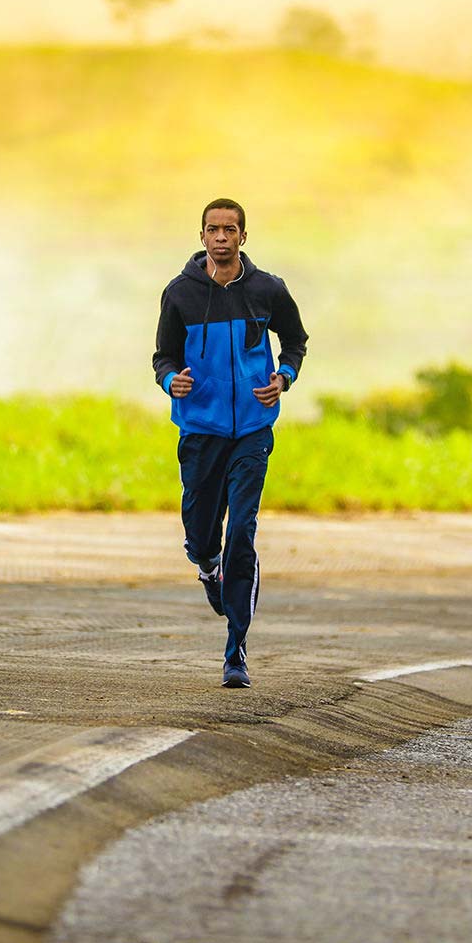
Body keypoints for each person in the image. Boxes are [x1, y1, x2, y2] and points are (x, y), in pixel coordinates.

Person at [152, 198, 309, 688]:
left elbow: (296, 342)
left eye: (230, 229)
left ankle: (236, 647)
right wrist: (171, 380)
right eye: (213, 229)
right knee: (203, 536)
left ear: (243, 236)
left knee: (242, 530)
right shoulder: (179, 293)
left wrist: (283, 377)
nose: (221, 237)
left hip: (253, 430)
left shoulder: (268, 290)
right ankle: (208, 566)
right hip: (201, 429)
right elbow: (162, 357)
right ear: (201, 236)